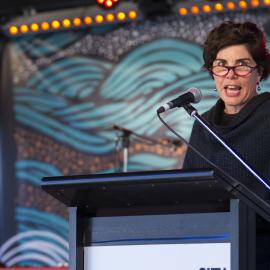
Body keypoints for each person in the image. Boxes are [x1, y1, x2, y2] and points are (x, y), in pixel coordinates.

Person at [183, 21, 270, 269]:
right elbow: (189, 192)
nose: (230, 75)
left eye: (241, 66)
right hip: (212, 251)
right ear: (213, 73)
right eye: (222, 66)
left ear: (260, 72)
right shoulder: (203, 124)